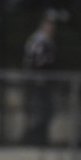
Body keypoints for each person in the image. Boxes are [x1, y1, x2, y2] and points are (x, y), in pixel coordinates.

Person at [21, 16, 56, 145]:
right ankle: (32, 137)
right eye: (48, 26)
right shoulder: (37, 40)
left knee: (47, 112)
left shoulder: (48, 41)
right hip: (37, 83)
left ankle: (40, 137)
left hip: (45, 83)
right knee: (39, 112)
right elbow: (33, 60)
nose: (51, 29)